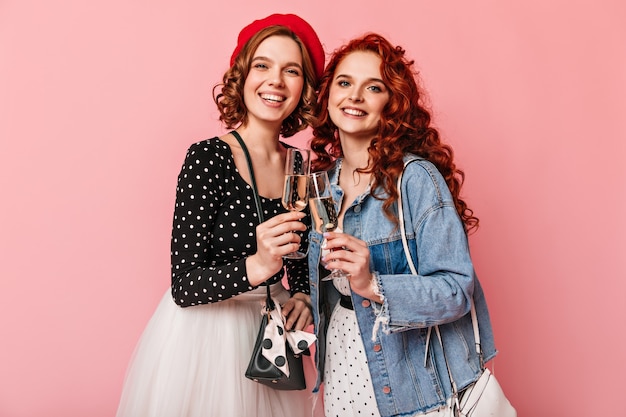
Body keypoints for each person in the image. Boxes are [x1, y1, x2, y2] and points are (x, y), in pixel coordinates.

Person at [116, 14, 325, 417]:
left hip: (271, 341)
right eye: (262, 65)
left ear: (305, 88)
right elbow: (184, 286)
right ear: (242, 75)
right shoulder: (208, 158)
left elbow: (300, 261)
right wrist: (260, 264)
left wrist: (301, 294)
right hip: (207, 339)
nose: (275, 81)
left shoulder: (301, 166)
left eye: (291, 70)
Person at [307, 33, 497, 417]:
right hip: (342, 361)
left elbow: (457, 290)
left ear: (391, 105)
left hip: (413, 373)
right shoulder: (319, 186)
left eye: (372, 87)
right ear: (327, 97)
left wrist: (372, 283)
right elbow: (325, 284)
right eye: (344, 83)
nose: (354, 96)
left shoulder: (415, 179)